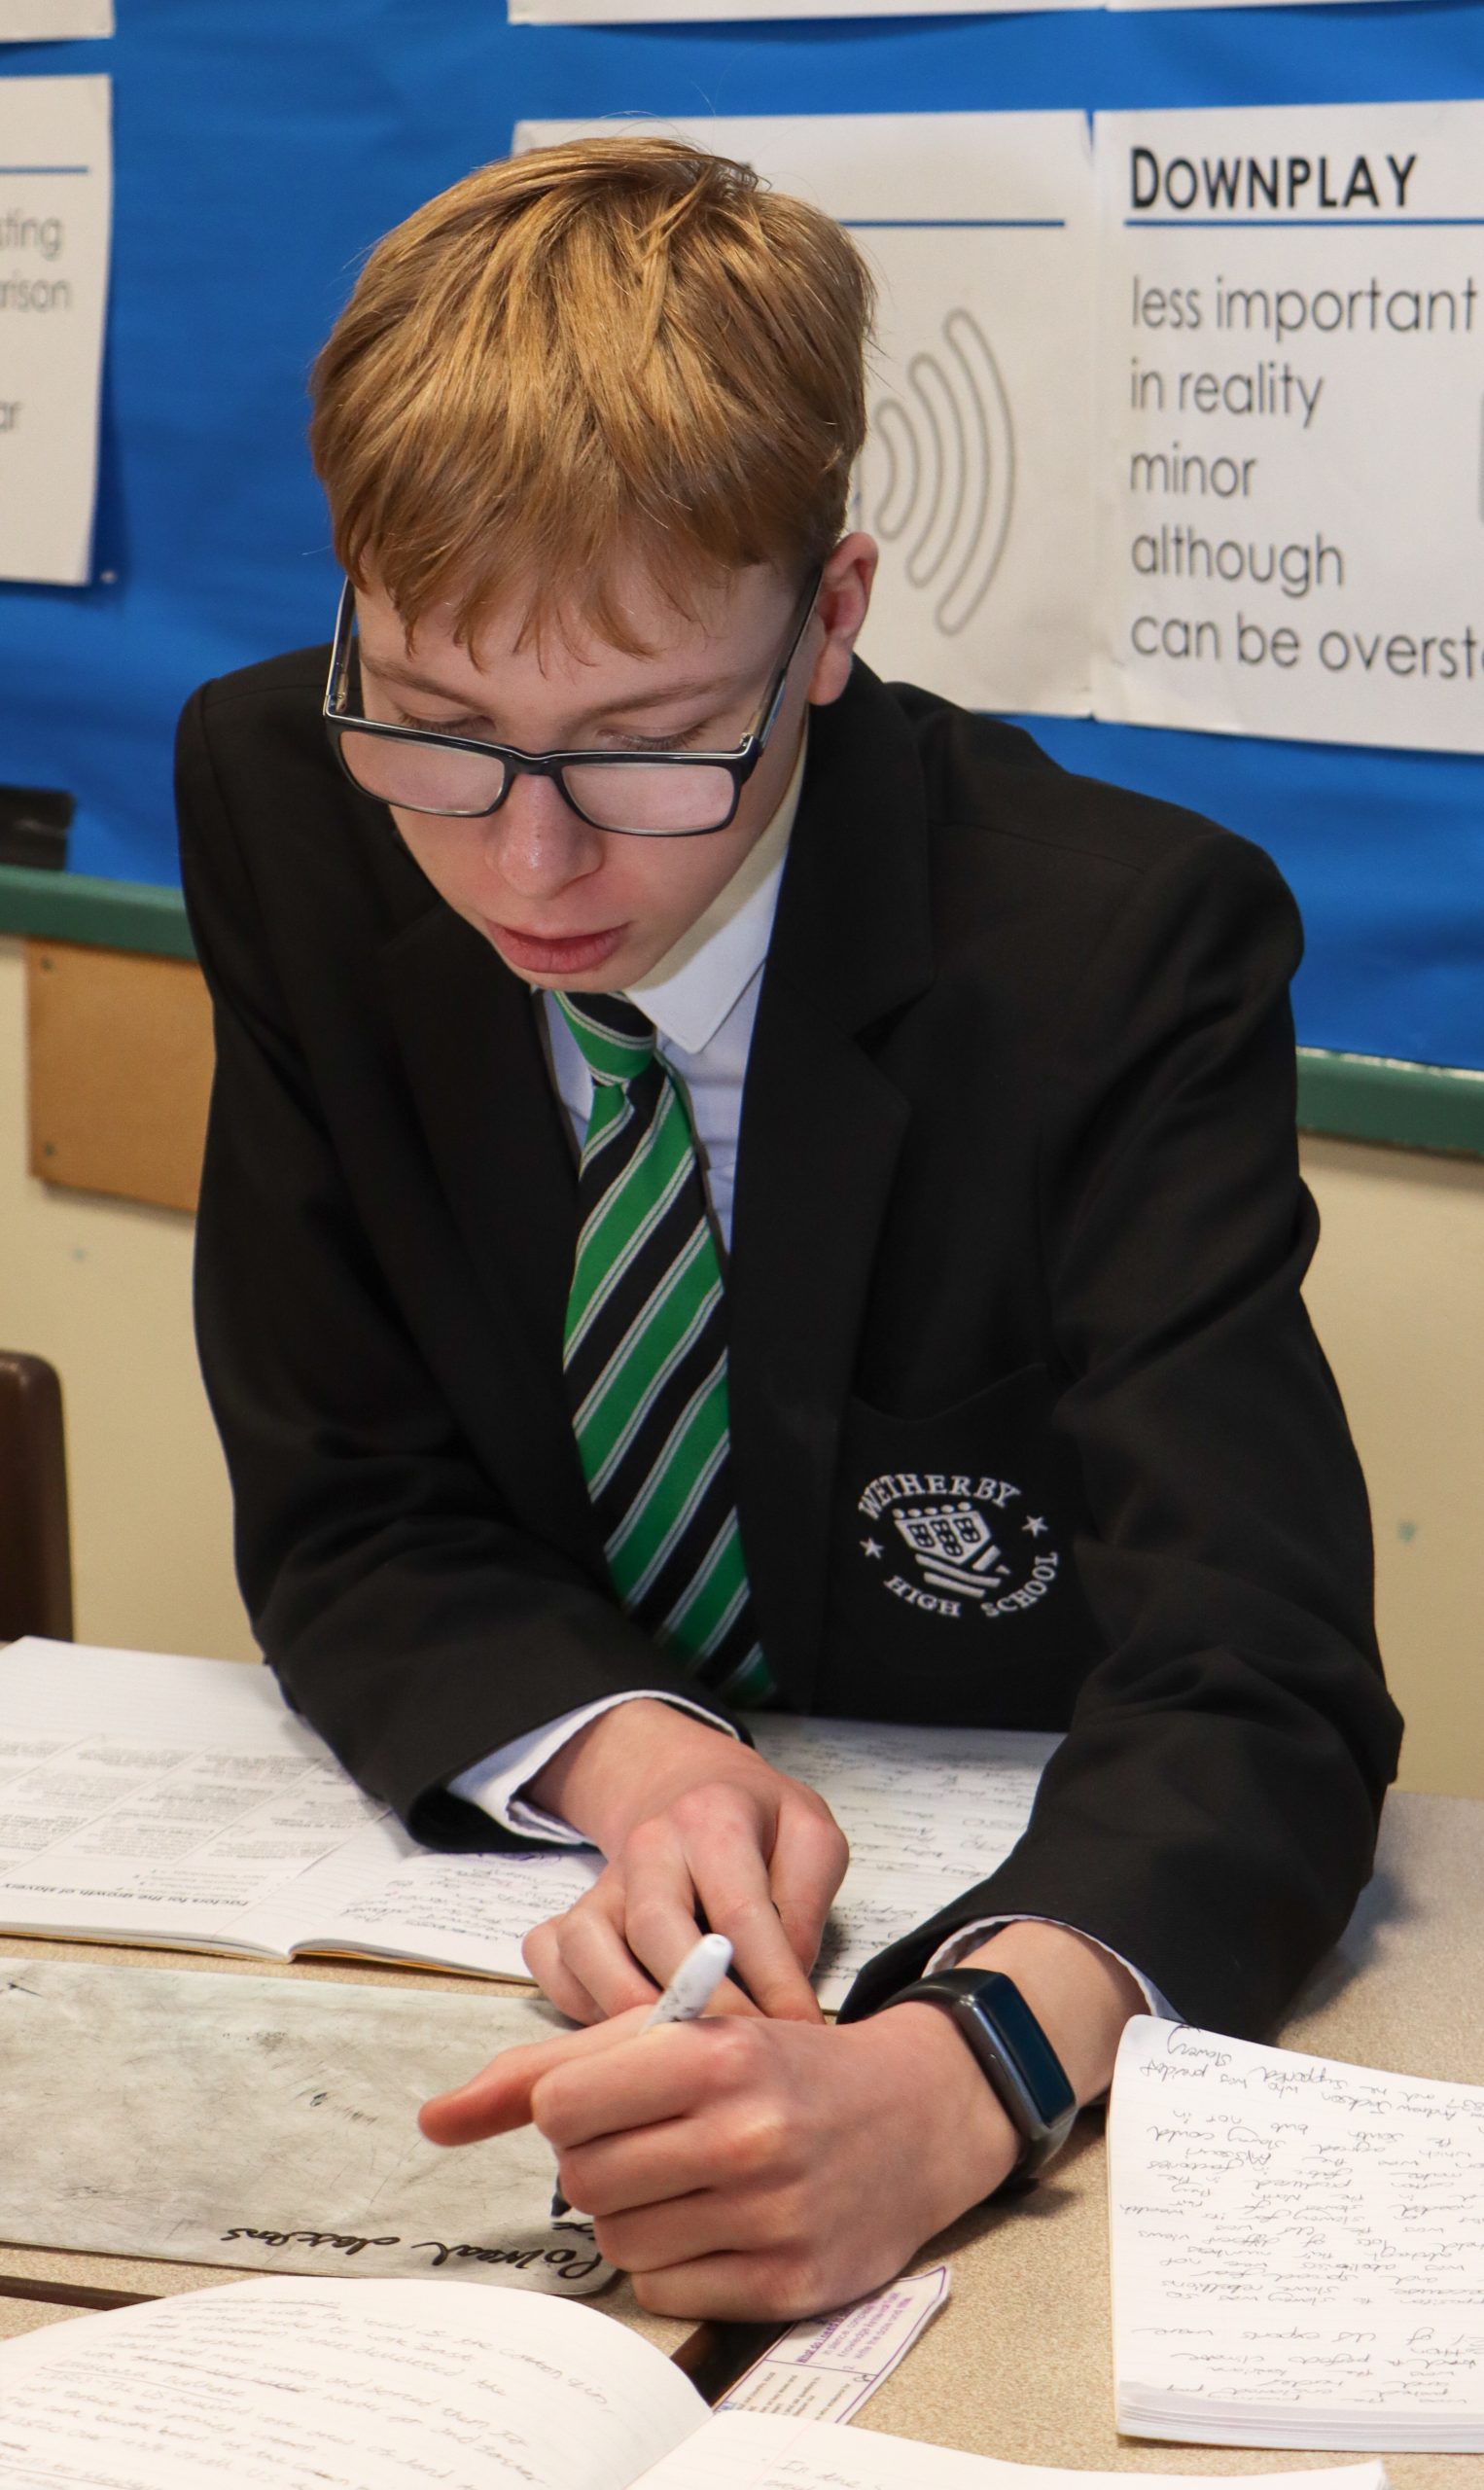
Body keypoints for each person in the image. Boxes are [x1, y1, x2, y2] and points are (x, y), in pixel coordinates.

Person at [177, 135, 1401, 2322]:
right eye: (443, 730)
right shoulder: (285, 799)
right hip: (569, 1958)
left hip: (985, 1929)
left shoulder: (1115, 950)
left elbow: (1263, 1680)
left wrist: (958, 2077)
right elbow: (348, 1489)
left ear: (828, 621)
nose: (527, 863)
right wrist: (632, 1748)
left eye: (647, 748)